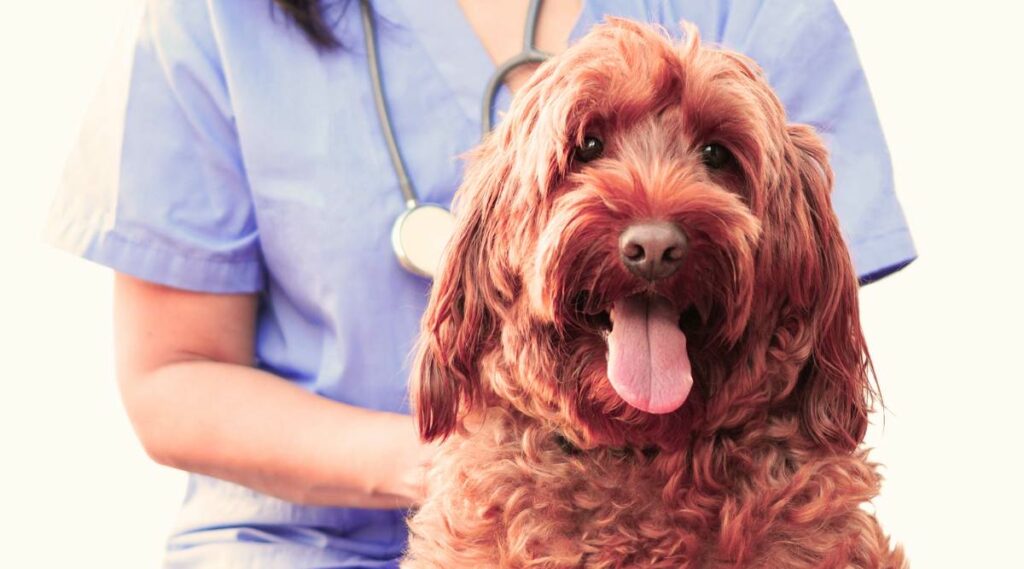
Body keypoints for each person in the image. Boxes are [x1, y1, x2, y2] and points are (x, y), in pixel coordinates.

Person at [45, 0, 915, 566]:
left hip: (728, 498)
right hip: (288, 540)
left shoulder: (765, 12)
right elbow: (169, 374)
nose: (653, 227)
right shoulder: (210, 20)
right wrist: (442, 462)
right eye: (587, 151)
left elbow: (811, 348)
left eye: (715, 156)